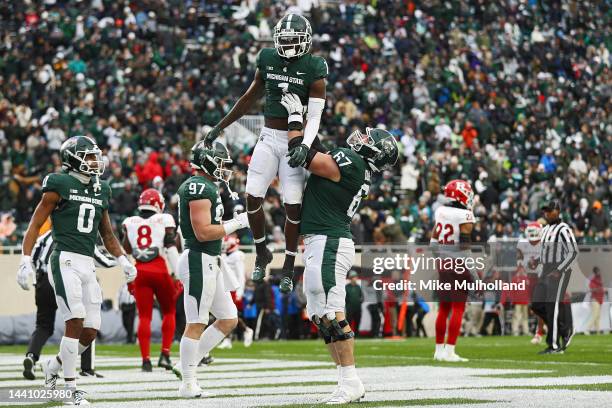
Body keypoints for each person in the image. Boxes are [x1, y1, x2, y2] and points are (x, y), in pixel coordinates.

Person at [282, 91, 399, 403]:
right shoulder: (356, 166)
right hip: (321, 242)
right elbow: (313, 148)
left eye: (370, 138)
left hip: (330, 242)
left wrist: (295, 119)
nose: (363, 137)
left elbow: (302, 154)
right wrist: (307, 122)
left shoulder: (354, 162)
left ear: (374, 152)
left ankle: (351, 382)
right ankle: (345, 380)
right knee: (319, 315)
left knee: (333, 314)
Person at [203, 14, 328, 293]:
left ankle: (288, 264)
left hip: (295, 137)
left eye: (294, 41)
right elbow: (248, 98)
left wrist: (305, 146)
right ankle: (262, 252)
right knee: (252, 197)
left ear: (306, 41)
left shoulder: (315, 67)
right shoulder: (268, 58)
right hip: (269, 136)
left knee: (292, 204)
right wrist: (219, 127)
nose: (288, 47)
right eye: (284, 41)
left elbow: (316, 117)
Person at [17, 136, 137, 405]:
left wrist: (124, 259)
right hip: (65, 260)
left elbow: (107, 233)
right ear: (73, 158)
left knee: (91, 330)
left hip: (87, 263)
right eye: (90, 156)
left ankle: (55, 366)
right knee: (75, 321)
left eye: (96, 156)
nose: (96, 161)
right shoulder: (59, 183)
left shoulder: (101, 188)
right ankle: (70, 392)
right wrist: (25, 259)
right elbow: (36, 224)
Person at [172, 140, 250, 398]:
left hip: (210, 260)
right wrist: (237, 223)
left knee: (228, 319)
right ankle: (188, 381)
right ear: (206, 161)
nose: (224, 167)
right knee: (195, 323)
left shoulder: (207, 186)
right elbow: (203, 232)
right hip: (198, 258)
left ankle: (188, 363)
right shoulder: (197, 186)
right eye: (220, 161)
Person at [18, 229, 116, 380]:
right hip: (66, 276)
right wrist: (120, 259)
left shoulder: (44, 237)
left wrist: (37, 280)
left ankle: (31, 356)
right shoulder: (75, 233)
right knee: (81, 321)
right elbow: (98, 258)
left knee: (43, 326)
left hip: (43, 281)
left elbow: (35, 257)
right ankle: (86, 368)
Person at [122, 188, 180, 371]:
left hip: (139, 271)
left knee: (144, 316)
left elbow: (126, 251)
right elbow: (170, 248)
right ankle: (165, 354)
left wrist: (129, 278)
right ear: (158, 204)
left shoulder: (129, 222)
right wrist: (179, 275)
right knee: (169, 312)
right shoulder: (165, 219)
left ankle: (145, 360)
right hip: (159, 269)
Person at [431, 180, 475, 362]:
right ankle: (450, 351)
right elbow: (465, 248)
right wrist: (474, 271)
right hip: (458, 264)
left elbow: (433, 242)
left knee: (443, 308)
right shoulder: (465, 214)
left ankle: (438, 351)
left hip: (443, 263)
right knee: (458, 307)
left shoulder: (440, 211)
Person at [531, 199, 578, 354]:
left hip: (559, 270)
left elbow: (573, 252)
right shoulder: (545, 229)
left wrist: (559, 270)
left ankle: (554, 346)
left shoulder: (564, 229)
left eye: (549, 210)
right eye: (545, 211)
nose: (547, 213)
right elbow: (544, 252)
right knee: (537, 305)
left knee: (553, 307)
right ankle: (564, 328)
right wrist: (537, 260)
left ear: (557, 211)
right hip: (545, 269)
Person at [217, 235, 254, 349]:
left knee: (229, 315)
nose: (224, 247)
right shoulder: (224, 256)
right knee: (226, 315)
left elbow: (240, 276)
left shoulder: (237, 256)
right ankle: (237, 334)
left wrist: (240, 291)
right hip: (225, 288)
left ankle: (242, 332)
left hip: (233, 289)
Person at [518, 222, 546, 344]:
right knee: (535, 306)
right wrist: (520, 263)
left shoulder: (545, 244)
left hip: (543, 277)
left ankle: (539, 332)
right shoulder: (522, 244)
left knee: (541, 304)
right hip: (530, 277)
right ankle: (544, 325)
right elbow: (518, 255)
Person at [585, 267, 605, 335]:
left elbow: (601, 288)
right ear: (595, 272)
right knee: (595, 315)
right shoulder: (593, 279)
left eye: (599, 271)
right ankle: (587, 329)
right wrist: (597, 289)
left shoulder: (600, 279)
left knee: (598, 316)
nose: (599, 272)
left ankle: (598, 332)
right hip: (594, 299)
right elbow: (591, 288)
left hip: (600, 299)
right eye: (597, 271)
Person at [345, 271, 363, 336]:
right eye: (353, 277)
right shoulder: (347, 287)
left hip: (358, 308)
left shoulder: (358, 287)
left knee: (357, 321)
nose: (355, 279)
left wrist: (360, 301)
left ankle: (357, 335)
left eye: (355, 277)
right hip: (350, 308)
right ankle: (348, 334)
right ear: (350, 278)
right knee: (348, 322)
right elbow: (345, 298)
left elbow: (361, 296)